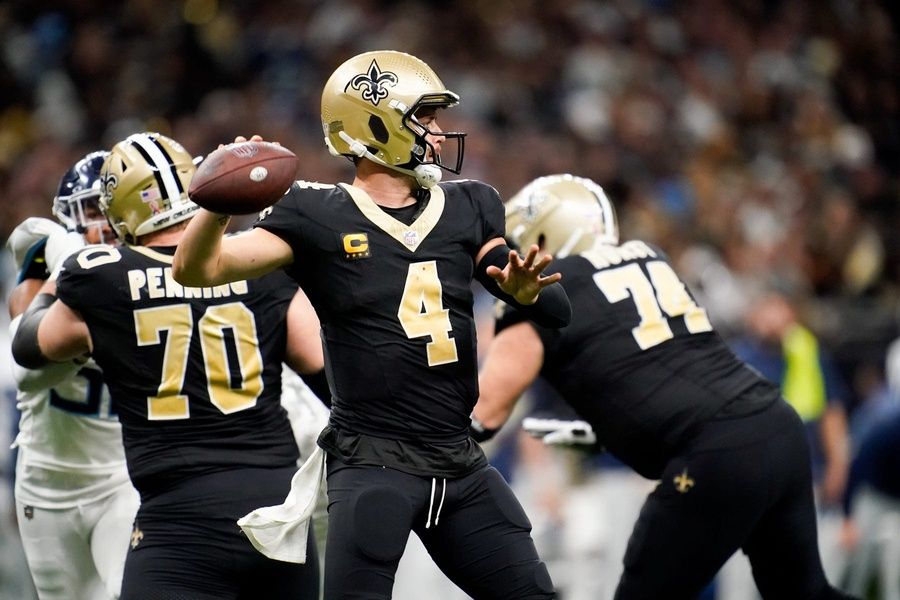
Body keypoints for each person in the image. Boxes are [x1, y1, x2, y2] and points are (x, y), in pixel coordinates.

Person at [171, 50, 569, 599]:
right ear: (376, 124)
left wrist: (523, 294)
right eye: (423, 118)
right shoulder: (316, 212)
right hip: (374, 461)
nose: (437, 132)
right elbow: (199, 269)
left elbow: (553, 307)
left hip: (460, 463)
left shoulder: (468, 205)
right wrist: (215, 204)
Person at [471, 174, 857, 599]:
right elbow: (659, 370)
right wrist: (605, 429)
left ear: (542, 234)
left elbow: (483, 413)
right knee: (807, 594)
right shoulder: (649, 255)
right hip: (776, 427)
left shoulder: (546, 288)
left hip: (712, 453)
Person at [12, 132, 324, 600]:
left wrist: (59, 270)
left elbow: (28, 344)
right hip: (275, 506)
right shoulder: (262, 261)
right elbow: (325, 369)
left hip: (179, 519)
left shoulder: (99, 273)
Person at [5, 151, 139, 600]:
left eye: (113, 204)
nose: (108, 219)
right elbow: (29, 371)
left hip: (125, 476)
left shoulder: (153, 266)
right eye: (96, 208)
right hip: (47, 481)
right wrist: (66, 264)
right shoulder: (48, 263)